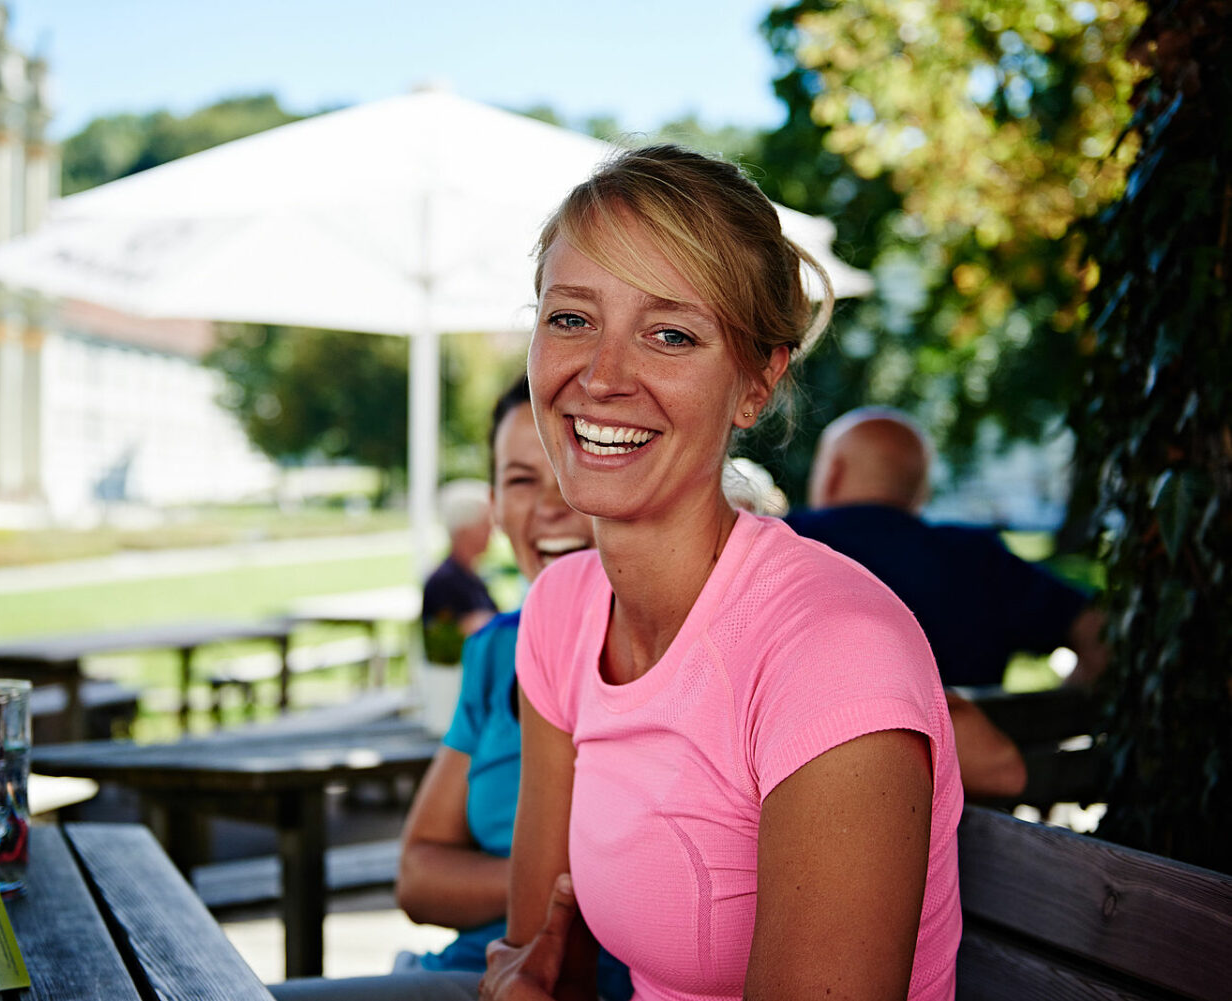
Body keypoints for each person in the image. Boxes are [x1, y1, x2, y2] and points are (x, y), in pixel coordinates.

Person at [485, 146, 963, 1001]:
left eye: (670, 334)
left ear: (755, 384)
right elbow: (535, 961)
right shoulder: (561, 610)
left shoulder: (832, 649)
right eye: (570, 318)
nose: (599, 376)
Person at [270, 376, 629, 1001]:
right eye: (520, 480)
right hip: (468, 969)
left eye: (574, 461)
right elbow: (417, 876)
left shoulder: (683, 648)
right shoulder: (497, 650)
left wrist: (504, 881)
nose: (550, 503)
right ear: (494, 505)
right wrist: (559, 881)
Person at [788, 406, 1108, 690]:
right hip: (977, 755)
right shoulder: (979, 557)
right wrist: (1062, 709)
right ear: (921, 490)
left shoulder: (787, 544)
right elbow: (1097, 630)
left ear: (832, 473)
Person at [422, 479, 500, 663]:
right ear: (465, 530)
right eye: (485, 525)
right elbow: (447, 637)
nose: (492, 533)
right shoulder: (444, 581)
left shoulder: (472, 575)